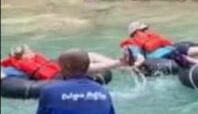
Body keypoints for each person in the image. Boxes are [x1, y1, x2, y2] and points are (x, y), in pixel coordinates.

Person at [120, 21, 198, 69]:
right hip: (155, 58)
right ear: (136, 32)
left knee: (182, 48)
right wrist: (138, 64)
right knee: (175, 52)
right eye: (143, 29)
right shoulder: (132, 43)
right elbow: (138, 56)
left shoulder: (149, 37)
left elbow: (163, 44)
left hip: (164, 50)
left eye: (146, 28)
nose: (147, 30)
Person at [1, 45, 129, 80]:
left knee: (90, 55)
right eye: (28, 52)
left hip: (57, 67)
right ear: (21, 56)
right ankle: (120, 62)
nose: (32, 53)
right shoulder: (16, 66)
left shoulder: (34, 59)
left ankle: (123, 66)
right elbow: (5, 73)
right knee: (83, 67)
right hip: (57, 75)